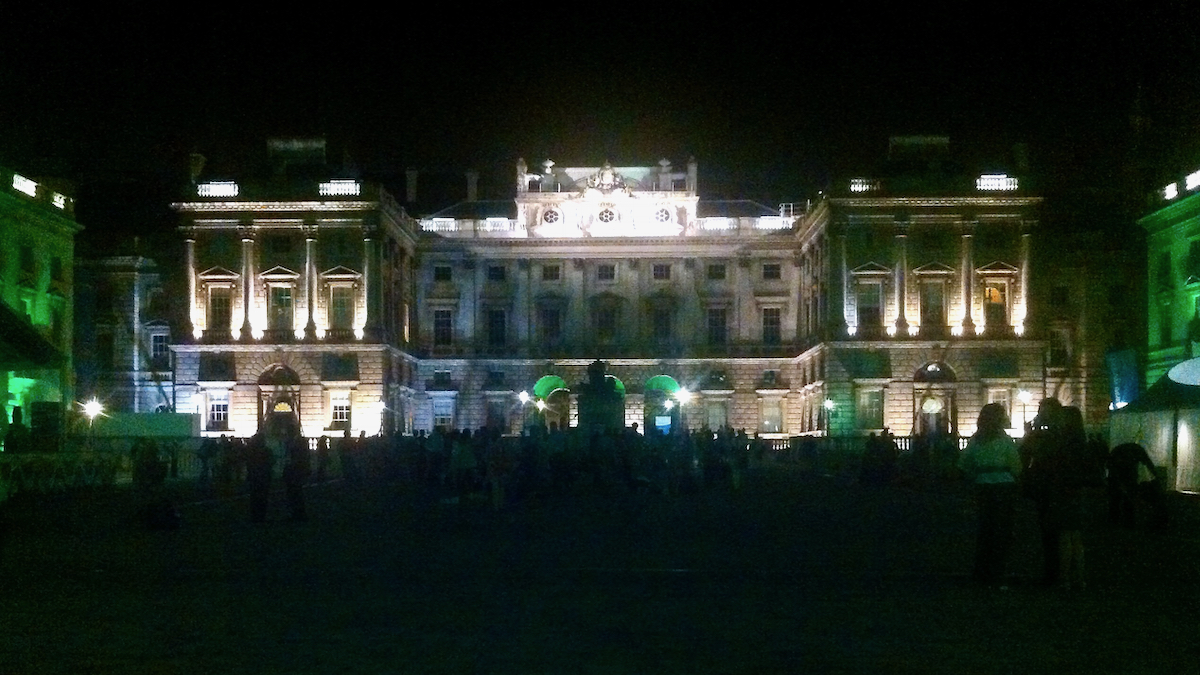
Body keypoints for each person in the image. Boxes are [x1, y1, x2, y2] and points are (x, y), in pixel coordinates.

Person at [958, 403, 1022, 587]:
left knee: (985, 532)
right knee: (1002, 532)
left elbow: (963, 463)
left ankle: (982, 572)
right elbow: (1016, 466)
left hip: (983, 487)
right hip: (1003, 486)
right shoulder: (1005, 440)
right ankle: (998, 574)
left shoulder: (976, 440)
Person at [1020, 397, 1063, 586]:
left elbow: (1024, 454)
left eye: (1041, 411)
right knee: (1056, 532)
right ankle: (1061, 572)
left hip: (1049, 486)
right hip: (1057, 487)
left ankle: (1053, 573)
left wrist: (1029, 434)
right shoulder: (1065, 432)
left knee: (1050, 531)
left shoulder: (1045, 435)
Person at [282, 432, 311, 521]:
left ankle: (297, 513)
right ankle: (299, 513)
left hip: (294, 472)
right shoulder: (301, 448)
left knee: (294, 494)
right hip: (296, 472)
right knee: (297, 494)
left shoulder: (295, 448)